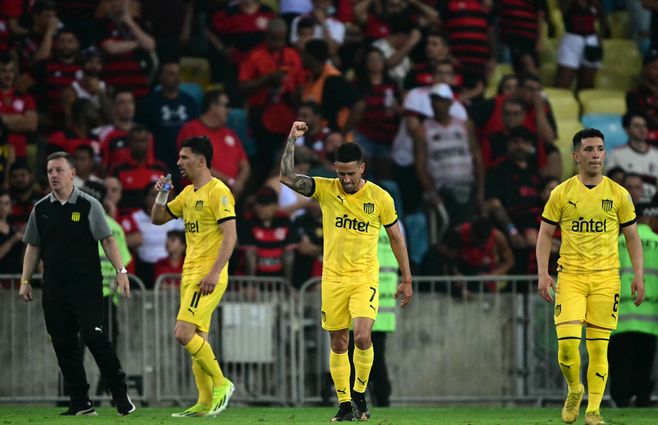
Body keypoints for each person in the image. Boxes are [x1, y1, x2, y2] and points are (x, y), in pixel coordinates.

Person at [280, 121, 413, 421]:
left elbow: (395, 237)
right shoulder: (326, 189)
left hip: (364, 277)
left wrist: (407, 278)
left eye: (351, 173)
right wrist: (291, 139)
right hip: (333, 279)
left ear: (362, 168)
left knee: (363, 337)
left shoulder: (380, 198)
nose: (345, 179)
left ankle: (360, 395)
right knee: (339, 341)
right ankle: (344, 405)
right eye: (340, 173)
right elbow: (286, 176)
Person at [536, 128, 645, 425]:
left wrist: (638, 275)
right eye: (588, 149)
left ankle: (594, 409)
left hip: (606, 279)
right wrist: (543, 274)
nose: (595, 154)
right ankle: (575, 389)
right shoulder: (561, 193)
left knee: (599, 347)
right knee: (568, 346)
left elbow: (632, 237)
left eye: (599, 148)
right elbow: (545, 234)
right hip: (570, 277)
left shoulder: (618, 194)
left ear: (605, 153)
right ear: (576, 156)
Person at [18, 151, 135, 416]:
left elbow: (107, 239)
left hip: (86, 286)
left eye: (58, 170)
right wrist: (25, 280)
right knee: (63, 344)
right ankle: (81, 402)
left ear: (73, 174)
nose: (53, 176)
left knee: (94, 337)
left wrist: (121, 270)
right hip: (54, 288)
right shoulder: (41, 209)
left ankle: (119, 392)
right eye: (49, 171)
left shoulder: (89, 204)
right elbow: (33, 246)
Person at [150, 136, 237, 417]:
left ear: (201, 160)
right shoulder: (188, 193)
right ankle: (203, 401)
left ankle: (223, 383)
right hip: (189, 275)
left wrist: (214, 272)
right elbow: (158, 219)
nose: (178, 162)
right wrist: (162, 194)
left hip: (208, 276)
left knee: (183, 333)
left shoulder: (219, 192)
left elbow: (231, 236)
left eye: (184, 157)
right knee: (198, 337)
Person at [609, 201, 658, 407]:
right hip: (650, 316)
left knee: (620, 363)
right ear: (651, 218)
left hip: (619, 315)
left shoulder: (616, 242)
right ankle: (643, 398)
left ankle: (620, 400)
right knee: (644, 363)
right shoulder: (656, 241)